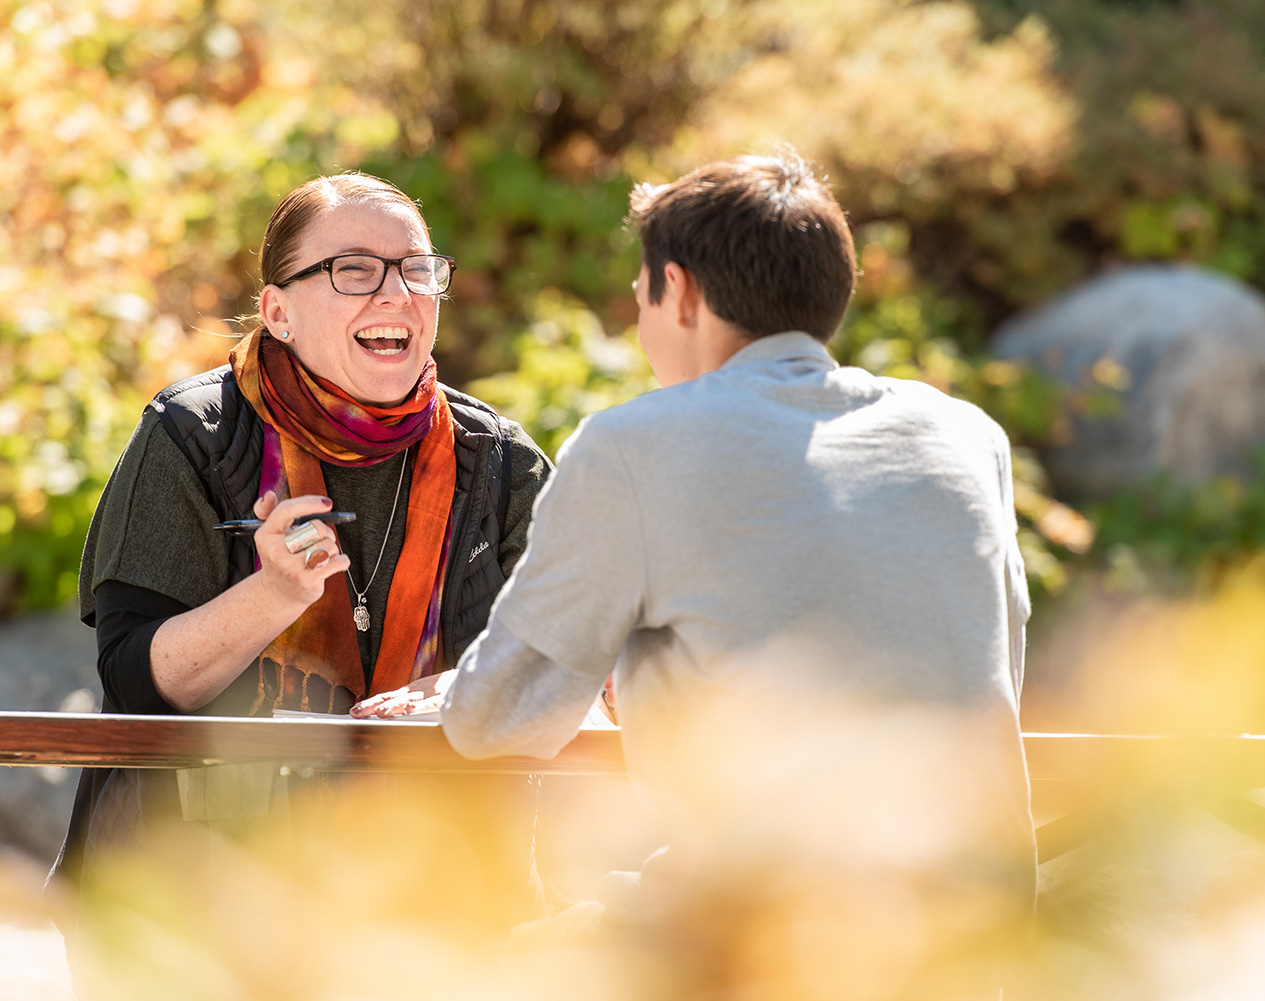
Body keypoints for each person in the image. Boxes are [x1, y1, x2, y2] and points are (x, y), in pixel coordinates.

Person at [356, 151, 1035, 996]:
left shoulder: (634, 446)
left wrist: (455, 693)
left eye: (641, 297)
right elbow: (986, 658)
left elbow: (497, 719)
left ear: (677, 291)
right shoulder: (965, 437)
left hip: (770, 939)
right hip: (982, 942)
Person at [51, 172, 552, 930]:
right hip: (193, 907)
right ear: (278, 312)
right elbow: (136, 682)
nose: (396, 294)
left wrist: (473, 690)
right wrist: (272, 596)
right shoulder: (193, 436)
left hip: (428, 910)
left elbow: (564, 666)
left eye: (417, 268)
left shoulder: (500, 461)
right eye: (354, 270)